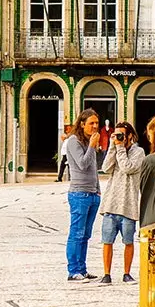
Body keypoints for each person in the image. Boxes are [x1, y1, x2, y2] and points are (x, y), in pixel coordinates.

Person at [98, 121, 144, 285]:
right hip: (111, 204)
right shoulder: (116, 149)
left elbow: (127, 167)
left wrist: (120, 148)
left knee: (128, 241)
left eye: (121, 135)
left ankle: (127, 273)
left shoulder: (139, 152)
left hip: (128, 204)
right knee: (107, 241)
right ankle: (106, 273)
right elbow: (105, 167)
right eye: (116, 134)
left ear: (130, 135)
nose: (118, 138)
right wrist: (112, 146)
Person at [63, 110, 104, 282]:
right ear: (82, 124)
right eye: (91, 123)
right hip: (79, 193)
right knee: (77, 233)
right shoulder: (74, 141)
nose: (95, 126)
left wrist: (97, 189)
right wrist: (92, 146)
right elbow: (82, 164)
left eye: (96, 123)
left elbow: (93, 169)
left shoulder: (89, 142)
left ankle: (82, 267)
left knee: (86, 234)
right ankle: (73, 270)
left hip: (92, 193)